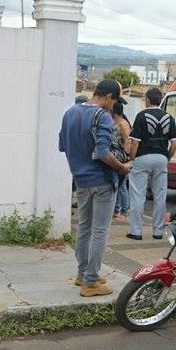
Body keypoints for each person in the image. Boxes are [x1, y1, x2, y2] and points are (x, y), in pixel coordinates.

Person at [59, 79, 133, 297]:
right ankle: (91, 282)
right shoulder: (102, 117)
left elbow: (62, 145)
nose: (115, 106)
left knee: (84, 228)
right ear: (108, 97)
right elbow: (103, 152)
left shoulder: (70, 113)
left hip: (81, 180)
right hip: (102, 181)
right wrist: (122, 168)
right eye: (116, 100)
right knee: (100, 231)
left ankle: (83, 273)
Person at [127, 87, 176, 240]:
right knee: (160, 196)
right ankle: (158, 232)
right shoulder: (169, 118)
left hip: (143, 157)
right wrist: (166, 158)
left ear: (147, 100)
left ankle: (136, 231)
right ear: (161, 100)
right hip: (161, 158)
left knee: (137, 195)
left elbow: (134, 142)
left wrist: (132, 158)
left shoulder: (141, 116)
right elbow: (174, 143)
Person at [111, 99, 132, 223]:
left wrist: (127, 158)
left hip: (123, 158)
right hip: (116, 157)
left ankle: (124, 211)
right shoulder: (116, 122)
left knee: (122, 186)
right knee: (118, 185)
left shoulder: (123, 124)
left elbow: (127, 141)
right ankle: (116, 210)